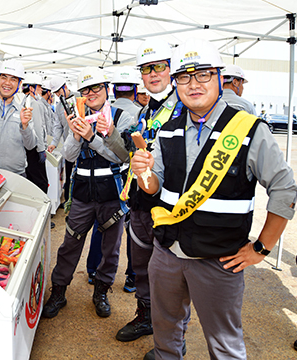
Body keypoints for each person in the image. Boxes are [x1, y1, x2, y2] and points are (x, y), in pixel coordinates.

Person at [131, 38, 297, 360]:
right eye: (184, 77)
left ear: (219, 77)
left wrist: (261, 248)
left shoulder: (248, 129)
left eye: (203, 74)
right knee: (165, 331)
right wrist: (143, 173)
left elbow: (285, 189)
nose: (193, 84)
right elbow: (155, 187)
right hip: (166, 252)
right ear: (175, 83)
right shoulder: (168, 129)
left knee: (224, 346)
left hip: (218, 260)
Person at [42, 67, 133, 319]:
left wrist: (92, 137)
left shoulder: (121, 117)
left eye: (96, 88)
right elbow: (69, 156)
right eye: (85, 90)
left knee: (110, 248)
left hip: (111, 194)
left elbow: (123, 156)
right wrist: (74, 134)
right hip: (82, 192)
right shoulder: (77, 115)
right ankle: (58, 292)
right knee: (70, 243)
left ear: (107, 90)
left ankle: (101, 292)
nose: (91, 93)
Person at [116, 38, 183, 345]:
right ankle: (145, 317)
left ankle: (172, 341)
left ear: (172, 69)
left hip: (171, 205)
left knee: (172, 276)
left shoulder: (185, 105)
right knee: (141, 266)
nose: (153, 74)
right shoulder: (147, 109)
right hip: (141, 201)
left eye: (159, 67)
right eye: (147, 69)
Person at [87, 65, 141, 290]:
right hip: (127, 180)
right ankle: (132, 277)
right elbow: (128, 152)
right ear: (135, 91)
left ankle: (93, 270)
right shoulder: (135, 113)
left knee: (102, 227)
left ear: (112, 90)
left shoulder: (101, 112)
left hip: (106, 182)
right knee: (129, 230)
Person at [48, 76, 79, 205]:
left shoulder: (79, 98)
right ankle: (68, 201)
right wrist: (54, 143)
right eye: (55, 93)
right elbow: (57, 126)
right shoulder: (59, 105)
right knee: (68, 175)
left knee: (80, 176)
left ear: (65, 87)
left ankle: (79, 202)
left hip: (85, 146)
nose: (57, 95)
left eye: (58, 92)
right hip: (69, 146)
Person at [22, 73, 49, 194]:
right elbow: (39, 127)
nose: (41, 90)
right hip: (35, 149)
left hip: (27, 147)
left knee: (31, 180)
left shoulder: (23, 102)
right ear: (32, 88)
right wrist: (41, 149)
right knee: (42, 182)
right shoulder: (35, 104)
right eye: (39, 87)